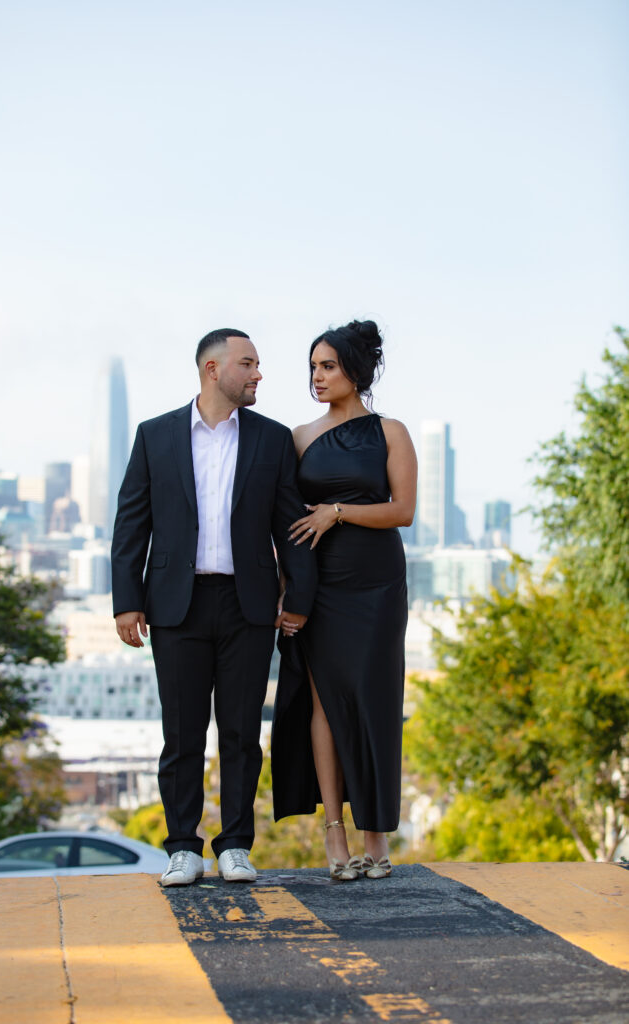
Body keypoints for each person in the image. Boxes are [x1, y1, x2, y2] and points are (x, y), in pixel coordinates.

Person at [112, 329, 317, 886]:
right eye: (247, 363)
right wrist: (127, 600)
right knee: (181, 734)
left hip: (248, 606)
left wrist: (297, 598)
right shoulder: (154, 436)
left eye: (257, 364)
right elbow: (132, 521)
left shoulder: (272, 440)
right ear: (212, 369)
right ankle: (183, 846)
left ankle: (235, 846)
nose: (257, 374)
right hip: (175, 606)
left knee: (242, 733)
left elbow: (289, 525)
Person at [271, 319, 417, 880]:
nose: (317, 376)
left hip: (378, 583)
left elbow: (401, 511)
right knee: (324, 704)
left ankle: (375, 836)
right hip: (320, 586)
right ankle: (334, 835)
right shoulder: (300, 437)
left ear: (354, 371)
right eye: (312, 367)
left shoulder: (391, 432)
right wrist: (287, 584)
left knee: (375, 702)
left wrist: (338, 511)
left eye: (328, 366)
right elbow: (282, 519)